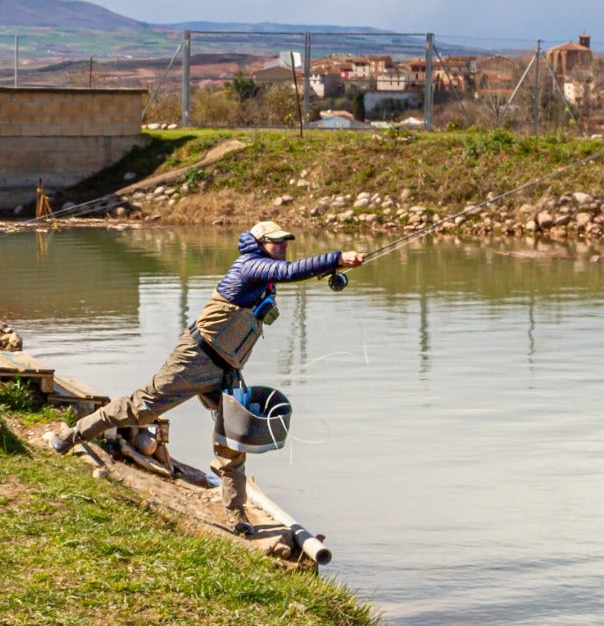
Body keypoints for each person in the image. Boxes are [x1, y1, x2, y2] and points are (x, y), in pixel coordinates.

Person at [44, 220, 364, 533]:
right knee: (141, 409)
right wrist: (336, 258)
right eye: (275, 241)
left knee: (234, 439)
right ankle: (72, 436)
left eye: (284, 242)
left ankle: (236, 516)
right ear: (259, 244)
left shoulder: (264, 278)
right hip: (195, 357)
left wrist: (322, 270)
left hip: (226, 368)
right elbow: (287, 271)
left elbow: (285, 275)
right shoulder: (249, 266)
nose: (281, 246)